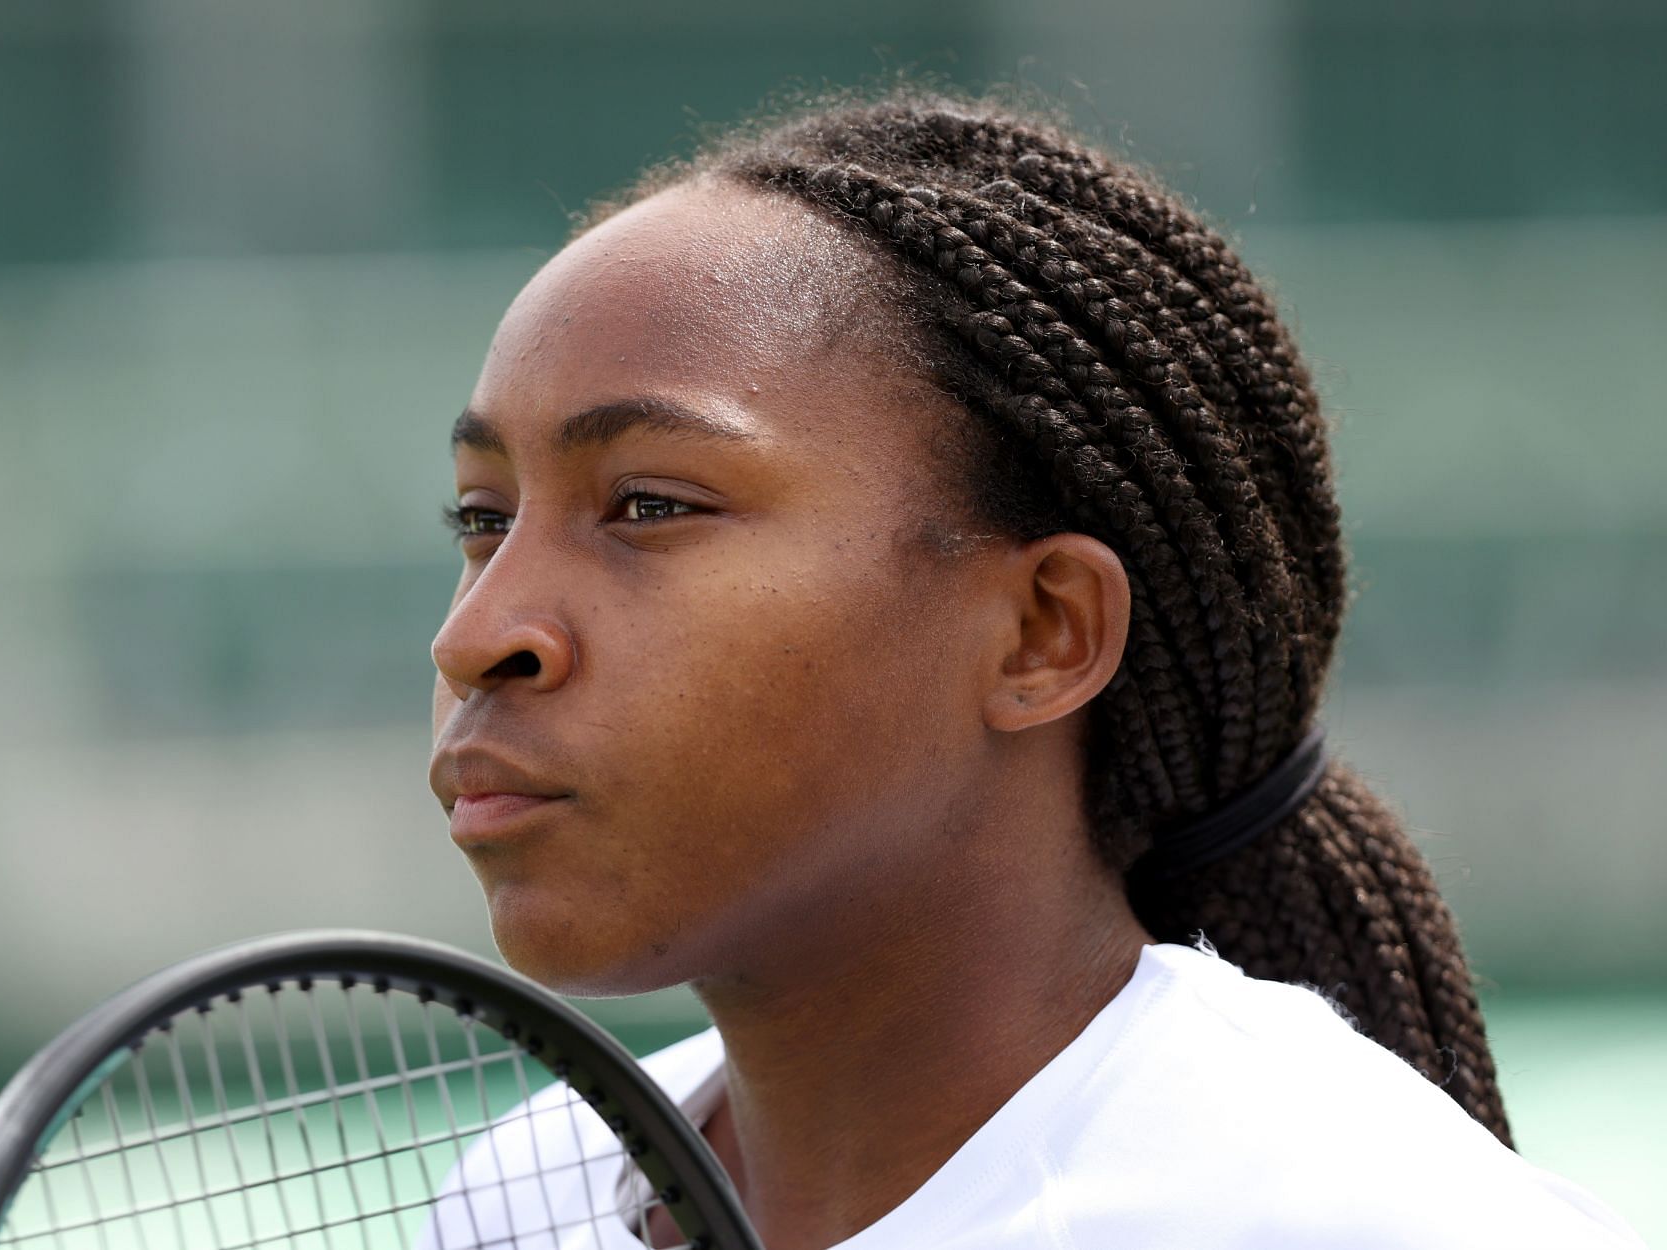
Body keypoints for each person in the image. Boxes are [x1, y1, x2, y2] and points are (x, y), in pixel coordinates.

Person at [424, 90, 1644, 1249]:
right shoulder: (527, 1189)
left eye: (648, 504)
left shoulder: (1347, 1216)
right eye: (482, 519)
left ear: (1042, 631)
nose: (481, 632)